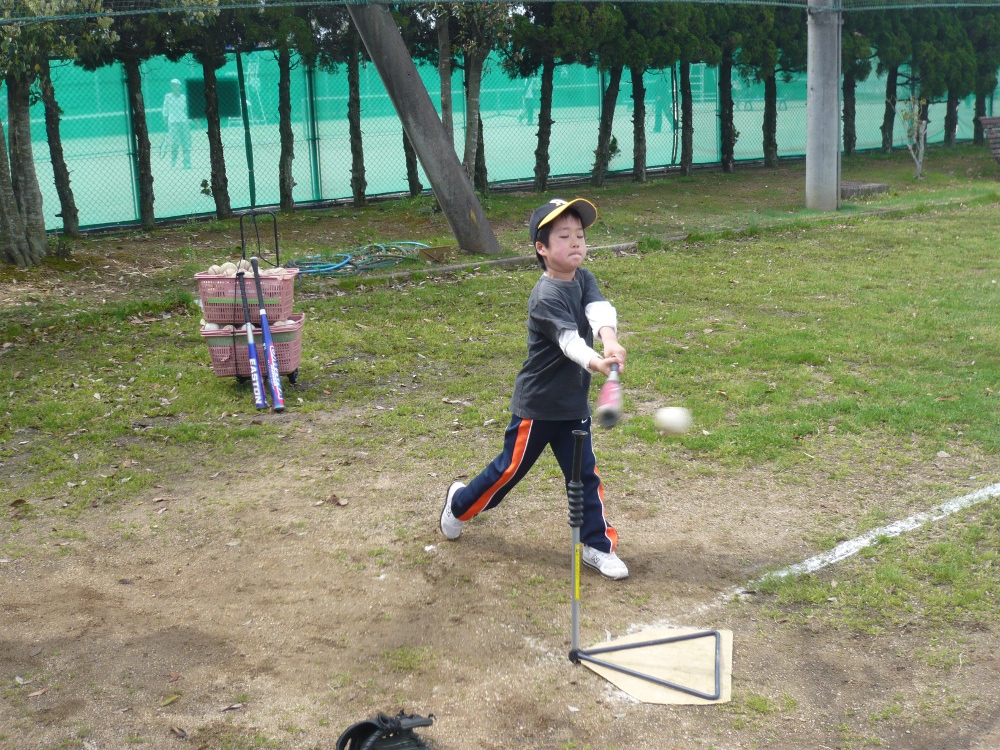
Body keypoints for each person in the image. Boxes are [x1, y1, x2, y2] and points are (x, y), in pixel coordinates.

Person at [439, 198, 630, 579]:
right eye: (564, 236)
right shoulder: (545, 296)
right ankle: (458, 504)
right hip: (538, 406)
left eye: (580, 235)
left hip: (573, 405)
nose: (576, 242)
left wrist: (609, 340)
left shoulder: (583, 278)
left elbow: (598, 311)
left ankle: (597, 545)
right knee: (508, 472)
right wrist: (596, 361)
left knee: (584, 476)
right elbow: (568, 341)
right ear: (541, 248)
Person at [162, 78, 191, 169]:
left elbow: (187, 109)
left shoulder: (183, 97)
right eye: (173, 85)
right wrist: (165, 119)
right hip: (173, 122)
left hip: (184, 122)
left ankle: (187, 163)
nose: (174, 87)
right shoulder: (168, 97)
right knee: (175, 143)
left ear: (179, 87)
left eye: (176, 85)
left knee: (186, 143)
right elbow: (165, 108)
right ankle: (173, 162)